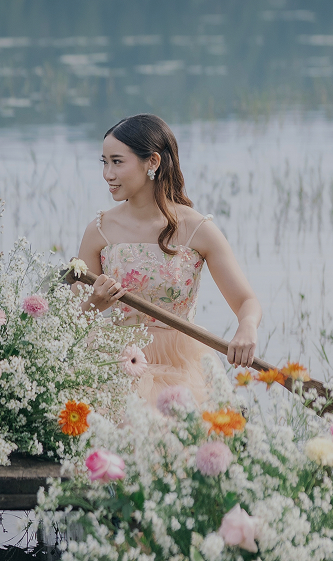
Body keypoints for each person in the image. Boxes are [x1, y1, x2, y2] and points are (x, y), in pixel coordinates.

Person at [76, 113, 261, 407]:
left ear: (152, 162)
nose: (107, 174)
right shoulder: (99, 230)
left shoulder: (198, 229)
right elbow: (69, 321)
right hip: (114, 359)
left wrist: (246, 328)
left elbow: (246, 302)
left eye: (117, 161)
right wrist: (93, 305)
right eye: (104, 162)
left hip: (182, 363)